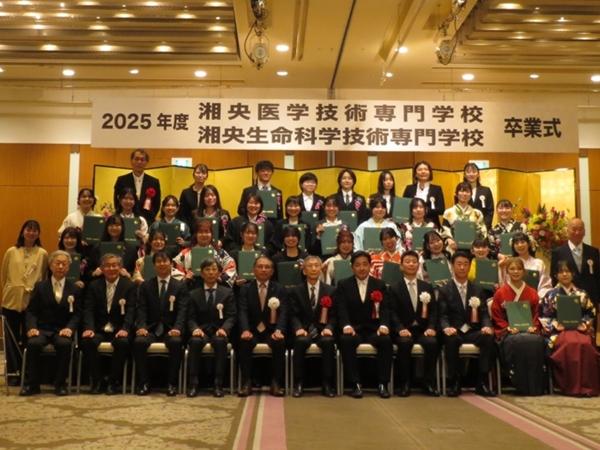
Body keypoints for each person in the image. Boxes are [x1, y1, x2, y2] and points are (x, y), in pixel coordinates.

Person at [19, 251, 82, 396]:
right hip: (42, 329)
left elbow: (77, 314)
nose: (60, 267)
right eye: (57, 263)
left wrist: (69, 328)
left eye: (64, 264)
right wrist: (32, 328)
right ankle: (33, 384)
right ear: (50, 265)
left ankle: (60, 383)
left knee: (65, 344)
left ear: (69, 267)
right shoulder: (40, 286)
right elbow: (31, 311)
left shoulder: (74, 289)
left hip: (62, 329)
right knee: (33, 343)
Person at [335, 251, 393, 399]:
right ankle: (355, 384)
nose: (361, 268)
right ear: (352, 267)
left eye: (365, 264)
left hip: (374, 330)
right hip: (353, 330)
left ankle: (383, 384)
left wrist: (384, 325)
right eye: (357, 265)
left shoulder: (379, 284)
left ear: (370, 266)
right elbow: (341, 308)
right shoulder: (343, 284)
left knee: (386, 340)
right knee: (345, 340)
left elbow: (385, 308)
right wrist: (346, 326)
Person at [438, 251, 497, 397]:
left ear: (470, 266)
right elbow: (443, 315)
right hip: (455, 331)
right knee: (451, 340)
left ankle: (482, 382)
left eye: (465, 264)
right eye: (459, 264)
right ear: (452, 266)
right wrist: (446, 328)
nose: (462, 267)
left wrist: (487, 326)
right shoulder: (445, 290)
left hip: (472, 331)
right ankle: (455, 381)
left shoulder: (477, 289)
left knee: (488, 338)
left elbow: (484, 314)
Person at [133, 251, 190, 396]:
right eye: (158, 261)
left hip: (171, 329)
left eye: (165, 261)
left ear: (171, 264)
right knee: (139, 342)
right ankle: (144, 383)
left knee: (176, 342)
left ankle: (172, 384)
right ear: (154, 265)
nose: (162, 264)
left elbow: (182, 310)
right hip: (151, 329)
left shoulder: (180, 286)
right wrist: (141, 327)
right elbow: (141, 309)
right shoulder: (146, 286)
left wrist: (178, 328)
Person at [79, 253, 136, 395]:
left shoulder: (129, 286)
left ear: (120, 267)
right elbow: (88, 310)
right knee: (87, 342)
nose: (111, 269)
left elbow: (131, 311)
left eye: (114, 265)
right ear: (102, 268)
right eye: (107, 266)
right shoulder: (94, 286)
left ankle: (112, 382)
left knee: (123, 343)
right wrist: (89, 328)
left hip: (119, 329)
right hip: (99, 329)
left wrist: (125, 329)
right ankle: (98, 381)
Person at [540, 260, 599, 396]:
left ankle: (587, 387)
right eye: (561, 272)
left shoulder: (582, 294)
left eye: (567, 271)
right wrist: (555, 324)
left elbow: (590, 313)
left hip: (579, 330)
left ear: (573, 274)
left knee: (585, 345)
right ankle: (571, 386)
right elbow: (544, 316)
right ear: (556, 275)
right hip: (559, 332)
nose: (564, 274)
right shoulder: (550, 294)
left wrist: (583, 324)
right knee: (570, 344)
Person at [1, 220, 48, 386]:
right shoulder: (11, 251)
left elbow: (44, 277)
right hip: (12, 301)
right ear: (22, 232)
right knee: (11, 338)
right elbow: (4, 275)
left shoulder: (42, 253)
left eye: (35, 230)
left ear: (38, 234)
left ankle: (29, 371)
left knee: (30, 338)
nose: (31, 233)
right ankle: (13, 372)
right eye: (29, 230)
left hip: (32, 302)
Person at [492, 257, 546, 396]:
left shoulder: (532, 292)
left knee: (535, 341)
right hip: (510, 332)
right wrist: (507, 328)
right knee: (518, 340)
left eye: (519, 269)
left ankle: (535, 386)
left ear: (524, 271)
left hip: (529, 330)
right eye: (512, 269)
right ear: (507, 271)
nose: (515, 272)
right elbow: (497, 316)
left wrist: (534, 327)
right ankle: (518, 383)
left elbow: (536, 314)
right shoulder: (500, 293)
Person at [389, 251, 439, 397]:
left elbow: (434, 311)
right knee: (404, 343)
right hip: (404, 329)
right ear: (401, 266)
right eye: (407, 261)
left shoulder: (427, 287)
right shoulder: (394, 288)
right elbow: (392, 312)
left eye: (414, 262)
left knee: (432, 343)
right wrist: (400, 328)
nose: (411, 264)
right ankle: (405, 383)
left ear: (418, 265)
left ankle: (428, 383)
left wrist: (431, 327)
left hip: (423, 329)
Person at [237, 256, 289, 397]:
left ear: (272, 271)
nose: (263, 269)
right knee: (244, 342)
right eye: (260, 267)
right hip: (252, 330)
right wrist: (245, 330)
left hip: (271, 331)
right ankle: (246, 383)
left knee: (280, 342)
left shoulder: (279, 289)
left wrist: (279, 330)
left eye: (267, 267)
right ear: (253, 270)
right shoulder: (245, 289)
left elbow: (284, 312)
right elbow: (242, 311)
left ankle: (276, 383)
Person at [186, 258, 236, 398]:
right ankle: (193, 383)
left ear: (219, 273)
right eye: (207, 269)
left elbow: (231, 316)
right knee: (194, 341)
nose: (211, 272)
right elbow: (190, 318)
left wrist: (224, 329)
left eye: (214, 269)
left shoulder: (227, 293)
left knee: (220, 342)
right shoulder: (193, 294)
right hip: (201, 330)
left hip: (219, 330)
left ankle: (218, 383)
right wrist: (194, 328)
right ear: (201, 274)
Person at [289, 256, 337, 398]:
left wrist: (329, 327)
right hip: (304, 331)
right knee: (300, 342)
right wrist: (298, 328)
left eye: (317, 265)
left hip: (323, 330)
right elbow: (293, 314)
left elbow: (334, 315)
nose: (314, 268)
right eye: (310, 266)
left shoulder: (330, 291)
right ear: (304, 271)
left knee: (328, 342)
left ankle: (327, 383)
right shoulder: (296, 291)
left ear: (321, 269)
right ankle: (298, 383)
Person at [174, 219, 237, 289]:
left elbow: (231, 266)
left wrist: (220, 278)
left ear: (211, 234)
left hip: (215, 288)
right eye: (201, 232)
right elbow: (174, 267)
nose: (204, 235)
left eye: (207, 232)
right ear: (196, 234)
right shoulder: (185, 252)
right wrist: (185, 278)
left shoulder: (219, 252)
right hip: (191, 287)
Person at [551, 218, 600, 307]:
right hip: (567, 298)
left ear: (584, 232)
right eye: (574, 229)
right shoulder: (558, 252)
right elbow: (554, 277)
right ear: (567, 231)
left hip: (591, 299)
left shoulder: (593, 252)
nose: (577, 232)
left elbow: (598, 277)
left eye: (580, 229)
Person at [113, 149, 161, 225]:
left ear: (146, 162)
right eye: (136, 159)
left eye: (142, 160)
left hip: (148, 221)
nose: (139, 162)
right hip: (126, 220)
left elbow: (156, 204)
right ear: (131, 161)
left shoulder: (154, 182)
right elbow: (117, 202)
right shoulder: (121, 180)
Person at [501, 232, 552, 299]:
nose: (520, 245)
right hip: (514, 299)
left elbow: (545, 285)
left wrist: (536, 297)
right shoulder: (510, 263)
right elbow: (505, 283)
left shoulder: (539, 263)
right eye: (516, 243)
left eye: (522, 242)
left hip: (535, 299)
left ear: (529, 243)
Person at [87, 215, 138, 280]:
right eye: (111, 225)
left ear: (122, 227)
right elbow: (88, 270)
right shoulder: (97, 248)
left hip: (123, 283)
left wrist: (129, 274)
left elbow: (136, 270)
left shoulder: (131, 249)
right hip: (101, 282)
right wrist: (93, 273)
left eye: (117, 225)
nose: (114, 228)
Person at [441, 182, 487, 253]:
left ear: (471, 195)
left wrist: (476, 243)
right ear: (456, 193)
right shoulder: (448, 212)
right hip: (454, 248)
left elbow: (482, 230)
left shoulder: (477, 213)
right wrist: (449, 239)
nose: (464, 194)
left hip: (473, 249)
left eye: (468, 192)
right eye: (462, 191)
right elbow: (445, 229)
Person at [402, 161, 445, 227]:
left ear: (430, 173)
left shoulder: (437, 189)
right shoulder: (409, 188)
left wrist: (425, 209)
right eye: (420, 170)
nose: (423, 172)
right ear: (415, 173)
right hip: (412, 225)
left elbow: (441, 210)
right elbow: (404, 208)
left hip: (432, 225)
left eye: (426, 169)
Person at [195, 184, 231, 249]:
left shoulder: (224, 214)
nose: (210, 198)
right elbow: (193, 232)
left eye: (213, 195)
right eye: (206, 195)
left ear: (217, 197)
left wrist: (221, 241)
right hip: (200, 248)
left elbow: (228, 233)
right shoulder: (196, 214)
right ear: (202, 198)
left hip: (219, 248)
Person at [463, 163, 494, 230]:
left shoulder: (486, 190)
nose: (471, 174)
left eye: (474, 172)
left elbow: (490, 211)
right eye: (468, 172)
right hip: (466, 228)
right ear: (464, 175)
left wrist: (483, 227)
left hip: (484, 228)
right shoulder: (461, 192)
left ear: (478, 174)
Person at [178, 163, 209, 229]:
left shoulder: (208, 192)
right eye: (198, 173)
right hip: (188, 226)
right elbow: (181, 213)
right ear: (193, 174)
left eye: (203, 173)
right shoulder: (186, 192)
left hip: (206, 226)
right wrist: (186, 227)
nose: (200, 175)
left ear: (207, 176)